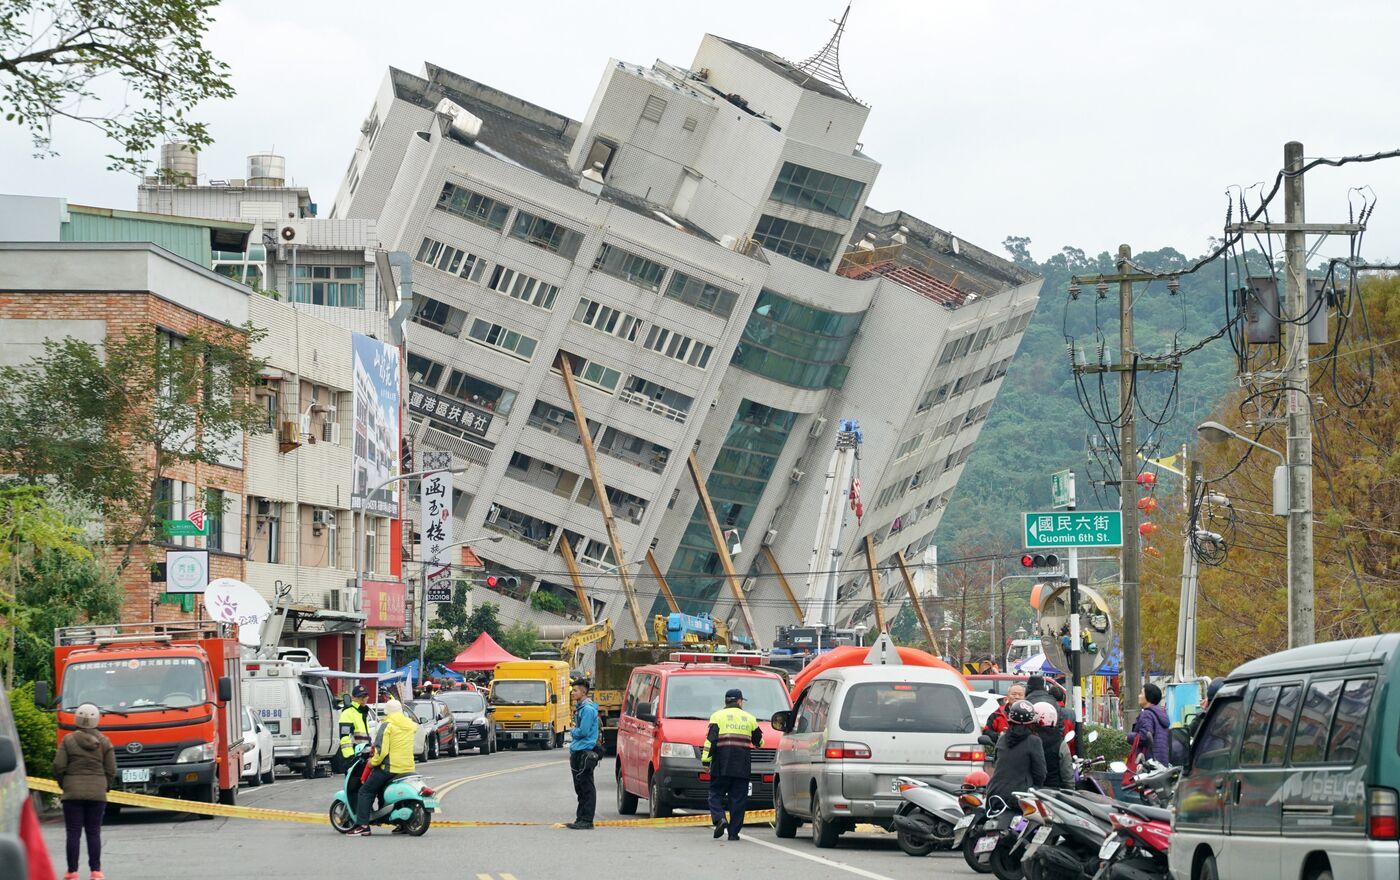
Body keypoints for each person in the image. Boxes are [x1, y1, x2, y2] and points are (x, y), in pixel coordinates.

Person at [53, 702, 115, 880]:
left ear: (77, 719)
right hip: (97, 793)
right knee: (93, 832)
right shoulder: (104, 742)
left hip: (72, 793)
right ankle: (95, 871)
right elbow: (111, 769)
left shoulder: (68, 740)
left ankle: (72, 871)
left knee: (73, 832)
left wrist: (64, 784)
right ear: (97, 719)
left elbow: (58, 766)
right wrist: (105, 786)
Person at [702, 688, 762, 841]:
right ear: (740, 701)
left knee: (715, 794)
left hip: (721, 764)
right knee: (738, 800)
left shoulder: (717, 716)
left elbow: (711, 741)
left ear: (726, 701)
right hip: (742, 765)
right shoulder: (750, 718)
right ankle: (734, 834)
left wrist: (705, 760)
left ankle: (720, 818)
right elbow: (759, 742)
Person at [350, 698, 416, 836]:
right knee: (388, 792)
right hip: (408, 768)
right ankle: (402, 823)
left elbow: (381, 750)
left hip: (390, 767)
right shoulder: (410, 724)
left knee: (365, 791)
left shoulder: (387, 725)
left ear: (387, 712)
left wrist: (372, 762)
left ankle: (362, 825)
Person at [985, 700, 1045, 809]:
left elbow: (995, 762)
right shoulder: (1034, 741)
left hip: (994, 793)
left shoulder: (1002, 738)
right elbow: (1040, 773)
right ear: (1032, 722)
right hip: (1019, 796)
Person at [566, 679, 600, 830]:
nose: (572, 693)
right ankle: (580, 818)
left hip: (585, 751)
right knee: (579, 787)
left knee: (586, 786)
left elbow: (583, 731)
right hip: (578, 750)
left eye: (575, 691)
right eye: (572, 690)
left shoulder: (587, 709)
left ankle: (587, 820)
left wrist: (573, 731)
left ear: (584, 692)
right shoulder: (581, 708)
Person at [1032, 702, 1072, 789]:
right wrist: (1070, 790)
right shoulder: (1059, 742)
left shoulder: (1027, 738)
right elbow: (1067, 773)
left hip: (1030, 790)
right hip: (1053, 792)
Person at [1131, 683, 1172, 766]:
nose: (1139, 696)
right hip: (1161, 762)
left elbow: (1144, 736)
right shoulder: (1161, 714)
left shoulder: (1147, 714)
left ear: (1148, 697)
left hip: (1149, 763)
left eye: (1141, 693)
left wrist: (1129, 737)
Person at [336, 685, 371, 773]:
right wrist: (350, 758)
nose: (363, 699)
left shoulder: (362, 712)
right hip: (354, 758)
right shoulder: (348, 712)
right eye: (360, 697)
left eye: (365, 696)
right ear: (353, 698)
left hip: (364, 756)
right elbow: (345, 737)